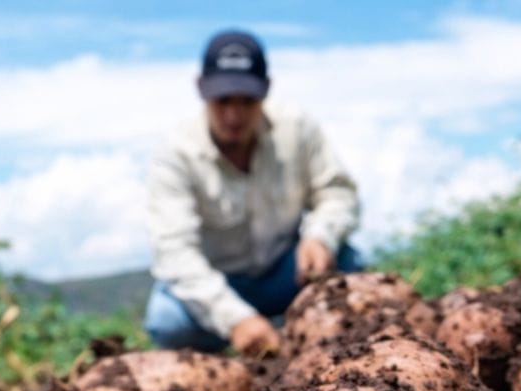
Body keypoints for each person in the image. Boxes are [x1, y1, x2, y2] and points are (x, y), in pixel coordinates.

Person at [144, 29, 363, 356]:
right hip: (216, 281)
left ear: (266, 91)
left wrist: (320, 237)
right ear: (201, 90)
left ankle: (301, 333)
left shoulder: (297, 129)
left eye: (247, 101)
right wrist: (236, 319)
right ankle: (239, 342)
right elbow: (175, 253)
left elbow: (337, 192)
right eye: (223, 101)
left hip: (285, 273)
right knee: (168, 322)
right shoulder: (176, 154)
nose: (234, 115)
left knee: (349, 265)